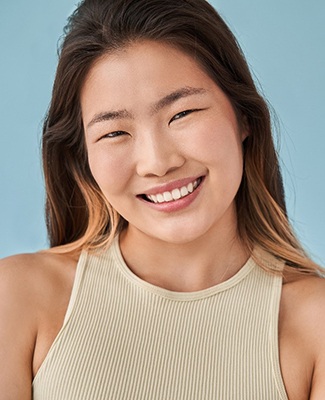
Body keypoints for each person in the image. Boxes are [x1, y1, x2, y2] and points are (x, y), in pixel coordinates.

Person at [0, 0, 324, 398]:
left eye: (182, 113)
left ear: (243, 117)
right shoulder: (16, 296)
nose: (157, 163)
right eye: (114, 133)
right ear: (84, 158)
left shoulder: (316, 326)